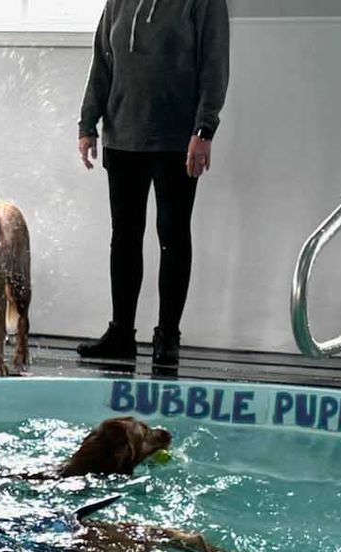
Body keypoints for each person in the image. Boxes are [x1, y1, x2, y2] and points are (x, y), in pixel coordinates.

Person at [77, 0, 230, 371]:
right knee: (124, 236)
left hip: (176, 140)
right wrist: (87, 123)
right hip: (122, 137)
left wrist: (204, 130)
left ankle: (167, 338)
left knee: (172, 236)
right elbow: (102, 62)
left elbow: (214, 65)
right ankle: (121, 334)